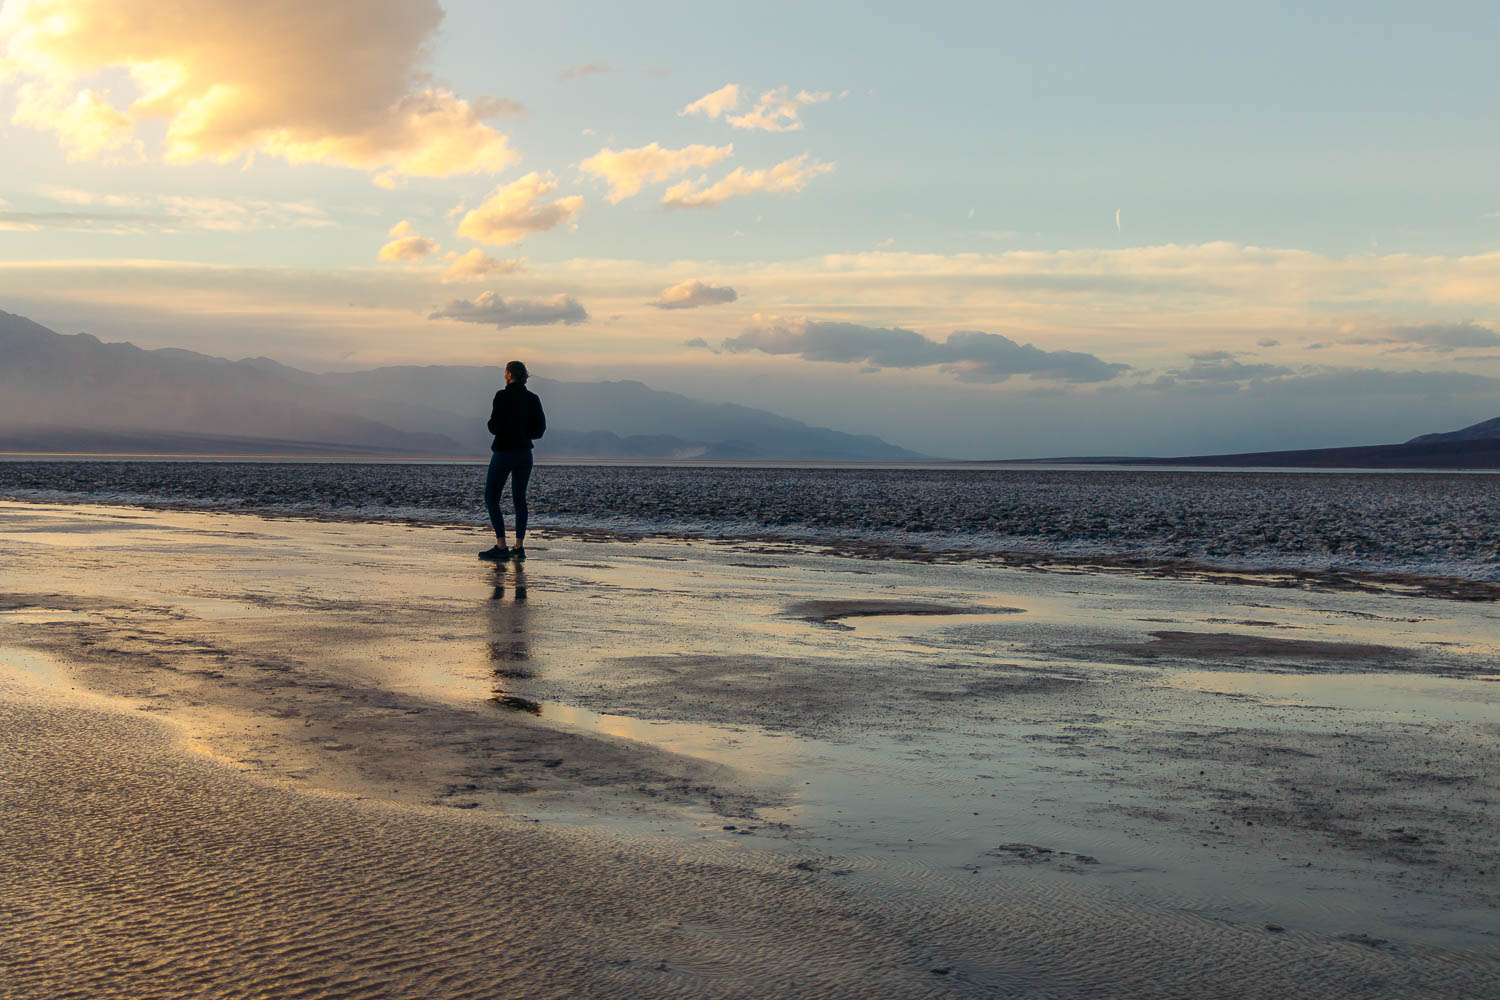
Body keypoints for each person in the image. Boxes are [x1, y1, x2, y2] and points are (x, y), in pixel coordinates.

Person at [479, 360, 545, 562]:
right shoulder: (532, 398)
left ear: (509, 375)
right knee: (519, 500)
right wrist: (524, 434)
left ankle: (501, 545)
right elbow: (540, 430)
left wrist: (504, 429)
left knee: (491, 497)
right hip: (524, 453)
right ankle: (519, 546)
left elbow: (493, 426)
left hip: (504, 452)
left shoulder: (502, 396)